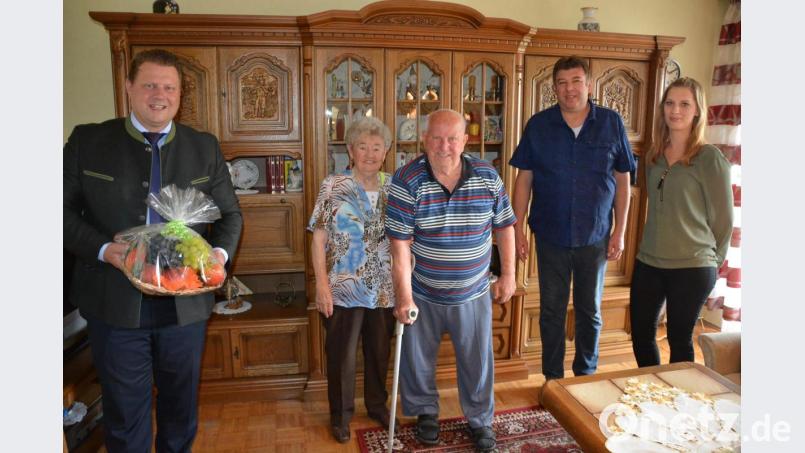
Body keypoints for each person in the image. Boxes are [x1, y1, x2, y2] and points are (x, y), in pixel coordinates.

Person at [63, 49, 243, 453]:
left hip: (186, 307)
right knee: (125, 416)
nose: (159, 95)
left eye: (169, 87)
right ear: (128, 88)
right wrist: (105, 249)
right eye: (149, 85)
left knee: (181, 411)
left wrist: (217, 257)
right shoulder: (88, 141)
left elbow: (230, 216)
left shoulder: (204, 147)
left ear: (180, 95)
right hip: (114, 302)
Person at [386, 109, 516, 452]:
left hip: (473, 291)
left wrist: (509, 275)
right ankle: (425, 412)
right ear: (425, 140)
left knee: (478, 361)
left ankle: (480, 421)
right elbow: (400, 247)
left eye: (452, 138)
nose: (444, 146)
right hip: (423, 291)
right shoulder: (406, 179)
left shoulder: (488, 176)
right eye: (437, 138)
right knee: (416, 360)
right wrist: (404, 297)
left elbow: (505, 228)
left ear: (465, 141)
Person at [510, 56, 635, 381]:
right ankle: (553, 381)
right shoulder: (538, 125)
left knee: (589, 311)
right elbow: (524, 179)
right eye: (562, 83)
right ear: (554, 88)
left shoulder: (611, 122)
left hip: (595, 236)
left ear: (589, 84)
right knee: (551, 311)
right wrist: (517, 229)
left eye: (576, 81)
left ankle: (586, 378)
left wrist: (620, 232)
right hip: (550, 236)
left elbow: (623, 182)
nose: (570, 89)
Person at [630, 77, 733, 367]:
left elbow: (724, 219)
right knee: (641, 335)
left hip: (692, 266)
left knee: (679, 339)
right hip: (649, 261)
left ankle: (680, 405)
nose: (675, 110)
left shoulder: (709, 158)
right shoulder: (653, 155)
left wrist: (714, 262)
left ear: (697, 110)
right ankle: (651, 395)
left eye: (684, 104)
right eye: (670, 103)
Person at [308, 116, 397, 443]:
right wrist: (321, 285)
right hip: (342, 287)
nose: (370, 153)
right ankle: (341, 415)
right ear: (350, 150)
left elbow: (405, 239)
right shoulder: (333, 185)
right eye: (363, 146)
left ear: (386, 151)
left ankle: (377, 405)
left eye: (377, 147)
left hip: (384, 289)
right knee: (341, 356)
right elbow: (318, 238)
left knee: (379, 352)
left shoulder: (394, 186)